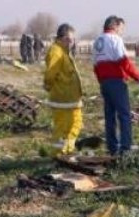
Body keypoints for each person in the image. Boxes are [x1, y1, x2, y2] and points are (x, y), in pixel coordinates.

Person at [93, 16, 139, 155]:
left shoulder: (97, 41)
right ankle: (125, 147)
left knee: (109, 115)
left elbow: (95, 66)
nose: (122, 31)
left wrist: (102, 81)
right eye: (121, 28)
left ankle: (112, 146)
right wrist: (137, 76)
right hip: (116, 81)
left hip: (105, 82)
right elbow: (124, 61)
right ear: (115, 26)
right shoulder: (115, 39)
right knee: (124, 114)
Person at [44, 23, 83, 156]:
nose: (71, 43)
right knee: (62, 128)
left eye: (72, 40)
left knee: (76, 123)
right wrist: (49, 86)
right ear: (62, 38)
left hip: (71, 100)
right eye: (69, 40)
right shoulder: (56, 51)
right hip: (62, 99)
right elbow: (50, 74)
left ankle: (67, 150)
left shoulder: (65, 52)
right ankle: (58, 154)